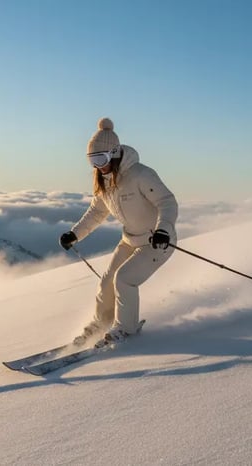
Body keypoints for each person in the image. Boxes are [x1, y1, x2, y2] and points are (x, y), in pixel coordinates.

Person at [60, 117, 178, 346]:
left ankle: (125, 329)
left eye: (101, 159)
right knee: (106, 283)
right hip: (130, 239)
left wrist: (164, 230)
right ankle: (101, 323)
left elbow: (167, 202)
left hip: (157, 242)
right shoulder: (105, 181)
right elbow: (96, 213)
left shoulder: (141, 175)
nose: (97, 166)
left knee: (124, 280)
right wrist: (75, 234)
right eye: (91, 160)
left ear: (114, 153)